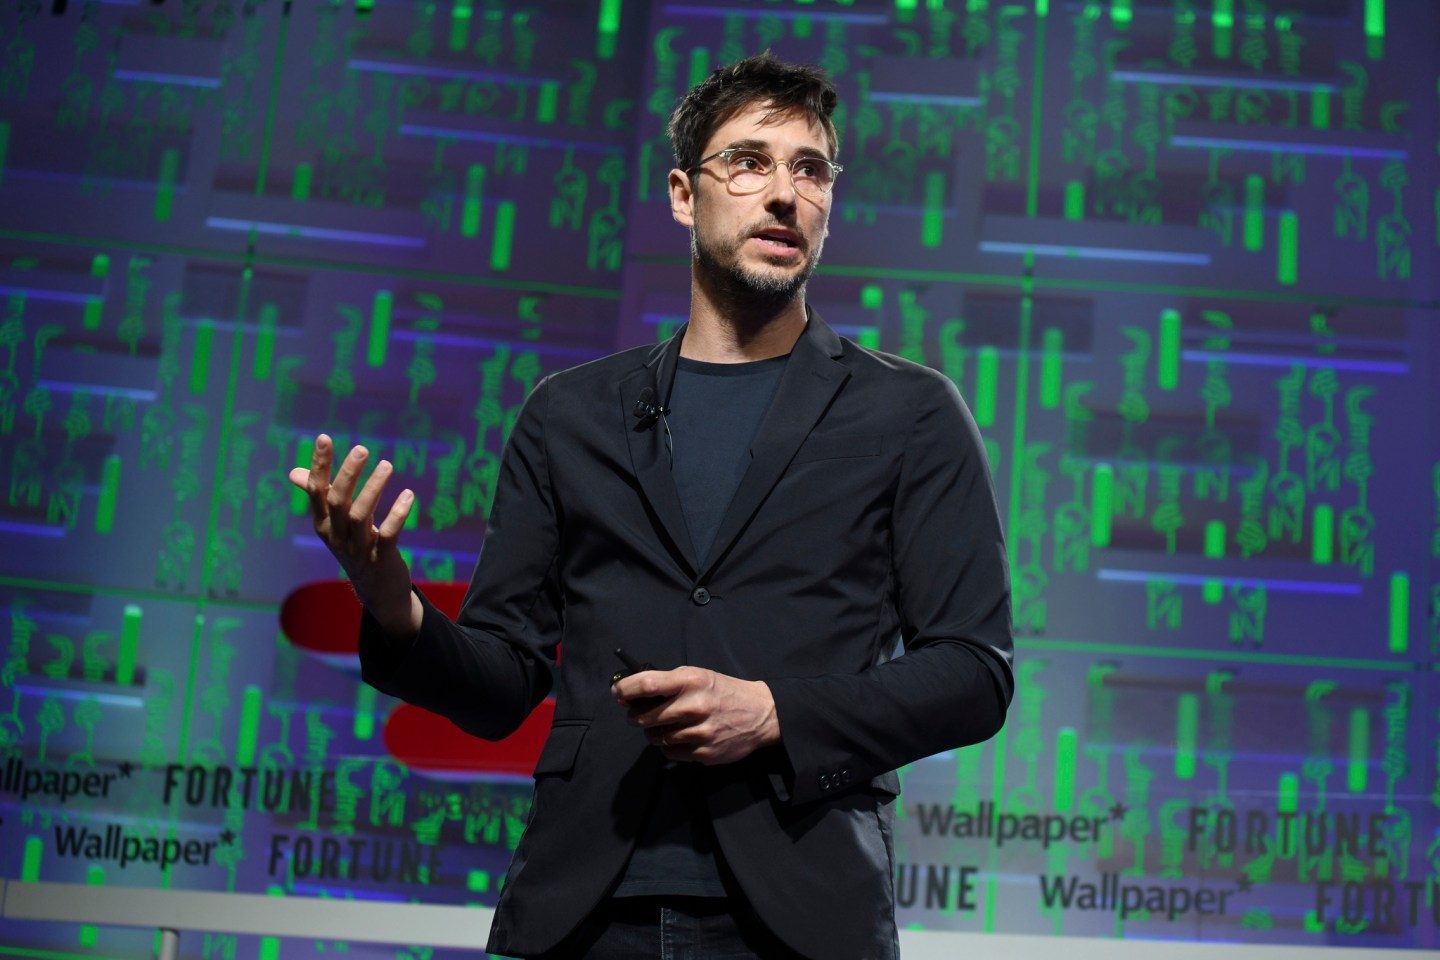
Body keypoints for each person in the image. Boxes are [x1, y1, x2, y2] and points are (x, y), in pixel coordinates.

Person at [291, 52, 1013, 960]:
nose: (783, 194)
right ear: (683, 194)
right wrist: (389, 602)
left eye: (810, 169)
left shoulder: (908, 413)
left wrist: (775, 713)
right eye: (748, 162)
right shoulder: (571, 413)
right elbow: (502, 687)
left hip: (802, 913)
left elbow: (974, 673)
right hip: (584, 910)